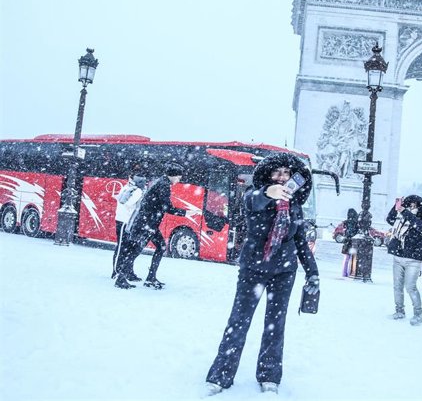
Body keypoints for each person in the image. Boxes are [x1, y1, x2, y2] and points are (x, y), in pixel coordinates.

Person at [205, 153, 320, 396]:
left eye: (286, 173)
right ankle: (220, 375)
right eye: (276, 172)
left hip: (284, 272)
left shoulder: (295, 207)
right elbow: (252, 201)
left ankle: (269, 375)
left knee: (275, 325)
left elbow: (300, 241)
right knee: (238, 321)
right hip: (253, 269)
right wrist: (269, 193)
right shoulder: (255, 195)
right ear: (267, 175)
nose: (281, 177)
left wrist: (313, 274)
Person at [113, 163, 196, 290]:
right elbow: (167, 207)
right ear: (173, 175)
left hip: (149, 223)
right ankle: (121, 278)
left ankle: (150, 277)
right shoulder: (163, 185)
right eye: (178, 177)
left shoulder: (162, 183)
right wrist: (186, 213)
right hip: (146, 223)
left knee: (159, 247)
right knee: (136, 250)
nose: (179, 180)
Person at [385, 194, 422, 326]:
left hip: (414, 259)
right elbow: (390, 219)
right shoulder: (401, 218)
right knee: (397, 286)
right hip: (398, 256)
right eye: (409, 205)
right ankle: (399, 310)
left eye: (414, 206)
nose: (411, 208)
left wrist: (404, 211)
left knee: (410, 287)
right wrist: (396, 208)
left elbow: (419, 226)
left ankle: (418, 314)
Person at [111, 174, 146, 280]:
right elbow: (128, 203)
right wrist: (140, 194)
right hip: (124, 221)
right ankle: (116, 271)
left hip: (128, 222)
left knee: (127, 247)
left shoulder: (129, 188)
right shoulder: (133, 190)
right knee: (122, 247)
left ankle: (126, 271)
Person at [335, 208, 359, 277]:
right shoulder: (356, 223)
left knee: (346, 258)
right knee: (352, 258)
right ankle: (350, 272)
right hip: (353, 242)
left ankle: (344, 272)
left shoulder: (347, 222)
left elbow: (346, 231)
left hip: (347, 242)